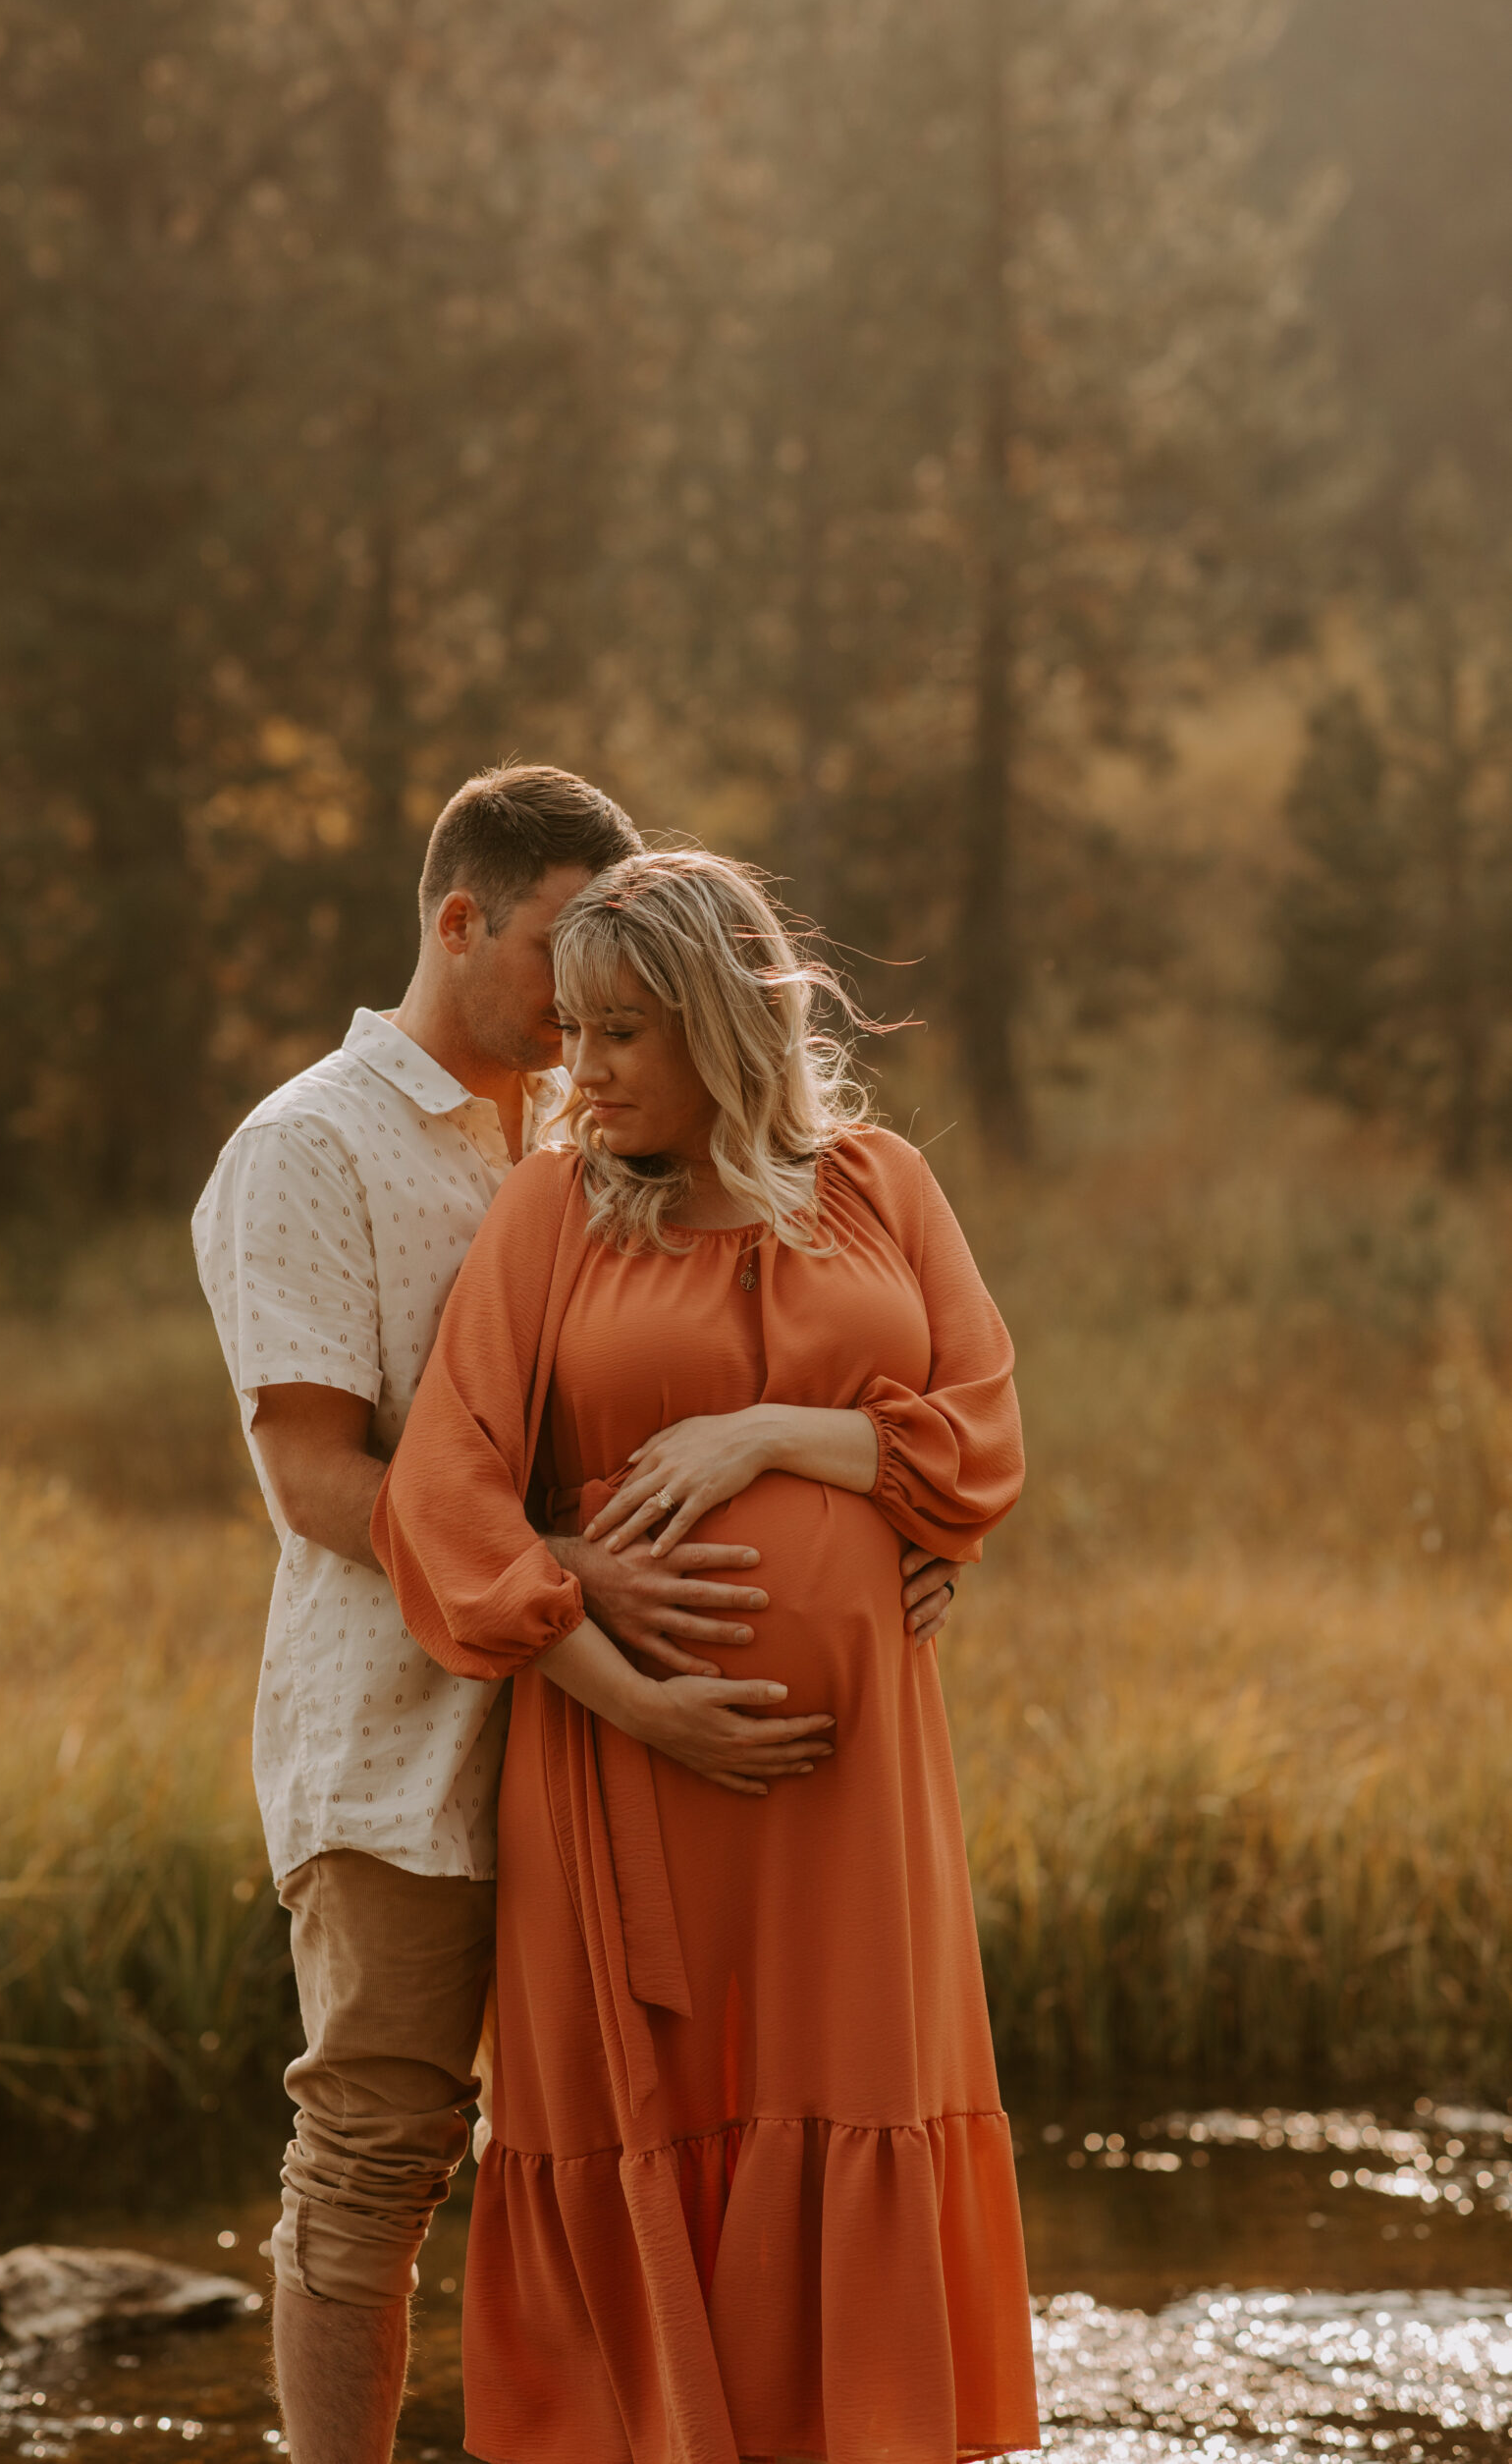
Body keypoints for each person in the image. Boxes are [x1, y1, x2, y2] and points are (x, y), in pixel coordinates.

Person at [193, 773, 966, 2464]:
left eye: (616, 999)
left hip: (612, 1760)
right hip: (408, 1735)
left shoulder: (571, 1128)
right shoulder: (308, 1147)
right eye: (558, 959)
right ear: (458, 918)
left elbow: (908, 1387)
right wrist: (577, 1582)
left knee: (700, 2128)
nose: (575, 1016)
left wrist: (883, 1507)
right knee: (383, 2147)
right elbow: (321, 1482)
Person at [379, 849, 1041, 2464]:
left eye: (619, 1034)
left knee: (854, 2096)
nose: (578, 1070)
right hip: (620, 1773)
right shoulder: (552, 1211)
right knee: (641, 2125)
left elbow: (980, 1433)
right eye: (572, 1029)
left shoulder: (881, 1184)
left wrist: (781, 1438)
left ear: (721, 1029)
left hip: (853, 1794)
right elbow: (442, 1493)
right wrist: (633, 1695)